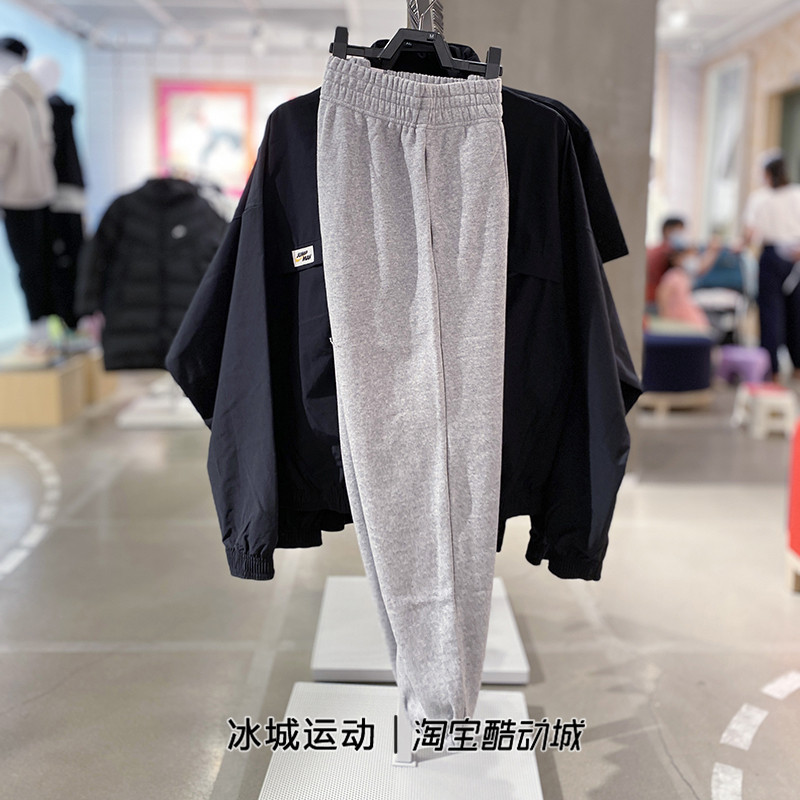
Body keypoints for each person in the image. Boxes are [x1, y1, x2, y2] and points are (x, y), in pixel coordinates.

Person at [743, 153, 800, 380]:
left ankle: (771, 370)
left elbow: (749, 233)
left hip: (771, 256)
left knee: (770, 314)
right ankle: (797, 367)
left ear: (766, 173)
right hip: (796, 258)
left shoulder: (759, 198)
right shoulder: (797, 194)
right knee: (796, 314)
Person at [646, 216, 686, 305]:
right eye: (679, 230)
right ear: (668, 230)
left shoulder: (654, 249)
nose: (682, 235)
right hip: (656, 300)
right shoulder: (667, 252)